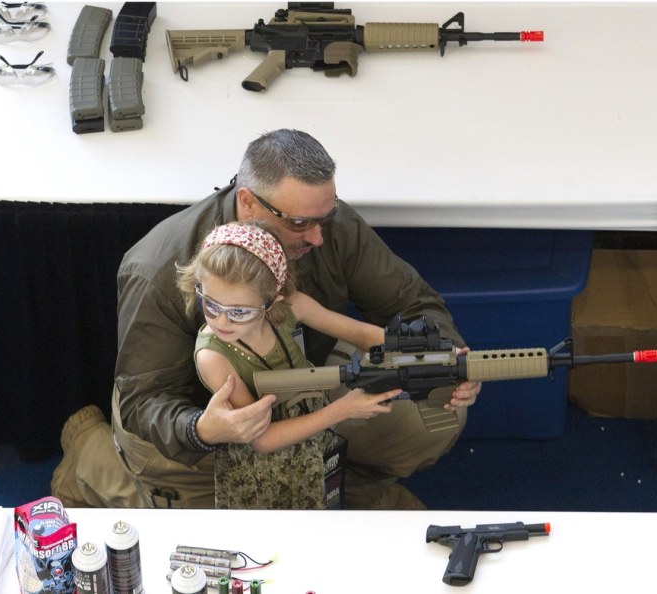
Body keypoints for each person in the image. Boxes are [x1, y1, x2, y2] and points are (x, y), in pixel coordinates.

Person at [51, 128, 480, 510]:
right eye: (299, 223)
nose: (318, 237)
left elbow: (411, 300)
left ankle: (347, 484)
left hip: (296, 382)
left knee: (434, 411)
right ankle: (95, 462)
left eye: (324, 218)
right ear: (248, 202)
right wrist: (204, 429)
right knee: (232, 540)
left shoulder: (323, 224)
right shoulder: (158, 268)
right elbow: (146, 400)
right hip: (202, 429)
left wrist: (443, 360)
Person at [177, 221, 401, 508]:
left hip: (310, 446)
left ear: (274, 299)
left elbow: (362, 334)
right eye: (211, 305)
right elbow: (262, 440)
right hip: (262, 476)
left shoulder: (291, 306)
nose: (222, 321)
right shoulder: (213, 357)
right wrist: (344, 409)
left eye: (240, 312)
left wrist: (436, 353)